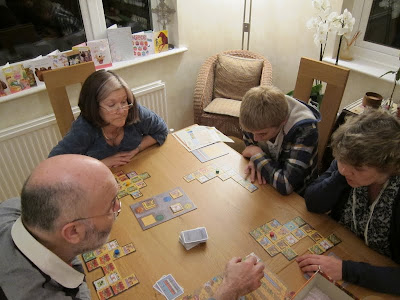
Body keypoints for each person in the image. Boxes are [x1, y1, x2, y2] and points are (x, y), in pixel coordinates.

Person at [0, 154, 264, 299]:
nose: (119, 209)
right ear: (73, 232)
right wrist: (230, 290)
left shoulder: (16, 208)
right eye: (111, 205)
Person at [297, 109, 400, 295]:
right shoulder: (347, 165)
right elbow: (313, 202)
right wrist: (341, 175)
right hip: (344, 249)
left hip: (378, 279)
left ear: (389, 168)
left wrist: (346, 270)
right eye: (341, 160)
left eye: (358, 169)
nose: (344, 170)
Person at [49, 70, 168, 168]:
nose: (122, 111)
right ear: (94, 107)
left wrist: (137, 149)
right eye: (111, 105)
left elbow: (161, 130)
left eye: (123, 101)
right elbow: (54, 165)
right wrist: (102, 164)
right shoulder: (83, 128)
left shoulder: (133, 111)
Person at [239, 85, 320, 195]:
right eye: (250, 131)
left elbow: (286, 184)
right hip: (267, 184)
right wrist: (256, 160)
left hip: (298, 195)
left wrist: (257, 155)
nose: (255, 138)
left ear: (283, 122)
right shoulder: (253, 118)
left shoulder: (306, 131)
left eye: (262, 133)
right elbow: (249, 145)